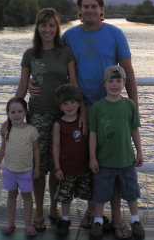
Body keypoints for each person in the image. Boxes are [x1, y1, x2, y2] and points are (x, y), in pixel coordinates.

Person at [30, 0, 139, 233]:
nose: (89, 10)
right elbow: (49, 60)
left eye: (94, 6)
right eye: (85, 7)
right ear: (79, 11)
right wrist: (31, 80)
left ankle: (109, 215)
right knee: (74, 160)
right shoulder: (69, 36)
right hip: (75, 111)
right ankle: (66, 210)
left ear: (102, 10)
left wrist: (133, 107)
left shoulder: (115, 34)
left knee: (110, 162)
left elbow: (128, 71)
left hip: (110, 108)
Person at [9, 7, 79, 232]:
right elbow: (22, 86)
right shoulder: (30, 54)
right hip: (37, 116)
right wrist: (10, 118)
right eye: (43, 25)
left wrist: (81, 113)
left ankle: (53, 208)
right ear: (37, 27)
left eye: (51, 25)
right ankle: (38, 211)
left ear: (57, 27)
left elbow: (73, 85)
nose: (47, 29)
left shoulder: (65, 52)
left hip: (62, 117)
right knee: (39, 168)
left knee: (57, 165)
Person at [88, 65, 145, 240]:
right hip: (104, 161)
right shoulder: (97, 108)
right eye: (110, 81)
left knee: (131, 191)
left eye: (118, 80)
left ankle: (135, 220)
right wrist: (92, 157)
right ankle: (97, 220)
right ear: (104, 84)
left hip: (126, 161)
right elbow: (93, 134)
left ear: (124, 83)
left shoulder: (129, 105)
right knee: (101, 193)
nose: (114, 84)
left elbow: (134, 130)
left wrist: (139, 152)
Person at [52, 84, 94, 236]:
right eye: (65, 103)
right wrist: (57, 167)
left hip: (84, 167)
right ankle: (65, 219)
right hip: (66, 169)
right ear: (60, 106)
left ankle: (92, 215)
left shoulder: (84, 121)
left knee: (90, 193)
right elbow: (56, 147)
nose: (69, 106)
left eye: (72, 102)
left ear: (78, 103)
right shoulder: (58, 124)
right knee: (65, 196)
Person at [0, 97, 40, 237]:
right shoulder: (7, 129)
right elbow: (3, 148)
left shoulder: (31, 130)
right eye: (13, 112)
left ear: (25, 112)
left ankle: (28, 224)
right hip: (10, 171)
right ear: (8, 114)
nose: (17, 115)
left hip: (26, 171)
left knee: (27, 197)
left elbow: (36, 150)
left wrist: (37, 168)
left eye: (20, 111)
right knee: (11, 196)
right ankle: (10, 223)